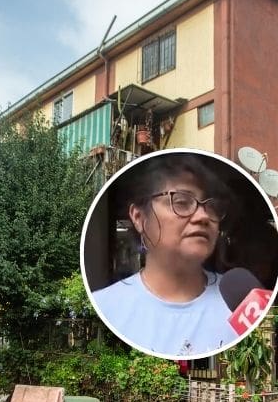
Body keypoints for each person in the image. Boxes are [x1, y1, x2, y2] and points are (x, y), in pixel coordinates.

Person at [91, 152, 238, 357]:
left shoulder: (242, 304)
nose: (204, 216)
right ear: (139, 217)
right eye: (181, 202)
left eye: (212, 207)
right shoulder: (106, 306)